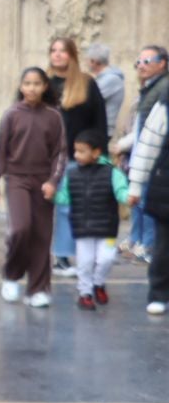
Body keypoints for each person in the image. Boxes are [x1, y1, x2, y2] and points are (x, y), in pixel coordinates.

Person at [0, 67, 67, 308]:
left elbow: (60, 152)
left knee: (42, 235)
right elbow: (1, 150)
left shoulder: (54, 116)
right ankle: (12, 274)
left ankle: (38, 288)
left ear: (45, 87)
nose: (32, 88)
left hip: (43, 180)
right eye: (27, 83)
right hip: (16, 179)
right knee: (21, 229)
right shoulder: (12, 114)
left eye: (37, 83)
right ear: (21, 87)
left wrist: (53, 181)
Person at [48, 36, 108, 274]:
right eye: (54, 50)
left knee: (67, 207)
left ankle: (62, 256)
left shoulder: (86, 83)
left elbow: (99, 120)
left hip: (76, 156)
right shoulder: (42, 82)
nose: (58, 54)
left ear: (72, 55)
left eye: (63, 51)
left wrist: (95, 151)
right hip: (45, 156)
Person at [55, 127, 128, 310]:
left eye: (81, 151)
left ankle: (98, 283)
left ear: (96, 152)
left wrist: (129, 198)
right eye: (75, 151)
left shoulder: (113, 173)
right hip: (82, 227)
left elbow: (122, 192)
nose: (77, 155)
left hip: (107, 228)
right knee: (85, 262)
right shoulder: (72, 174)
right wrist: (52, 195)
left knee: (106, 259)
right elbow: (64, 196)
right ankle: (85, 293)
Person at [123, 44, 169, 263]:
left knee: (147, 201)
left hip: (154, 159)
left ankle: (147, 245)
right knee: (138, 199)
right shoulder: (150, 87)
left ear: (162, 63)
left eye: (146, 62)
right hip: (141, 153)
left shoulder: (163, 87)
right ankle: (138, 240)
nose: (140, 66)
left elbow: (153, 132)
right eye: (138, 62)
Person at [126, 97, 169, 314]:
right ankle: (159, 294)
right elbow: (148, 145)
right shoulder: (165, 104)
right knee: (163, 246)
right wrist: (135, 185)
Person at [87, 41, 125, 141]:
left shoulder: (111, 79)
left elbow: (88, 98)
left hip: (103, 129)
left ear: (94, 61)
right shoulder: (103, 78)